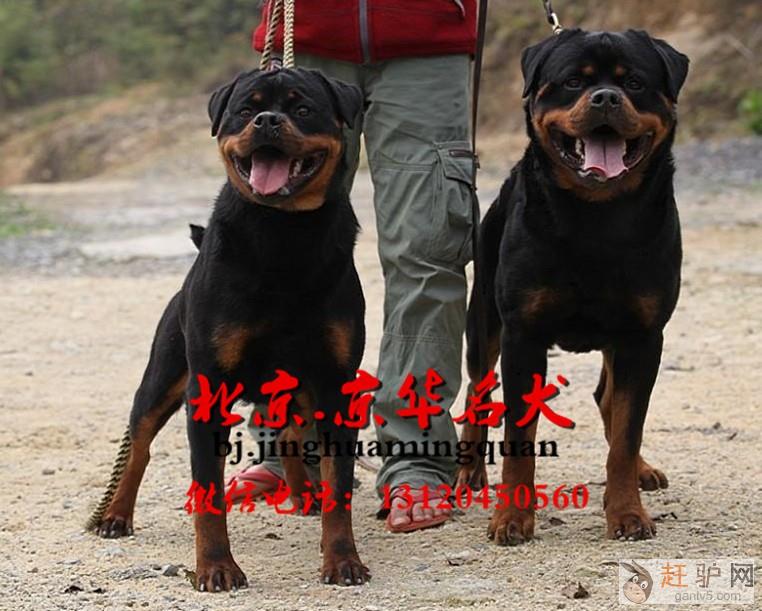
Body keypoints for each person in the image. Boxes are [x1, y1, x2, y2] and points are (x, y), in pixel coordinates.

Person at [226, 0, 478, 532]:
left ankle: (417, 458)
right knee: (278, 241)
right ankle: (287, 448)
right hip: (307, 29)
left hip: (428, 36)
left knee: (429, 250)